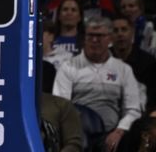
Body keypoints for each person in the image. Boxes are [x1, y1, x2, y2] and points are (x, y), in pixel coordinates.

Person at [53, 16, 141, 151]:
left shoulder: (123, 69)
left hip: (113, 133)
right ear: (84, 39)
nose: (94, 40)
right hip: (78, 131)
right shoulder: (68, 67)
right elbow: (61, 106)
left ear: (110, 39)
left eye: (99, 36)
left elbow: (133, 109)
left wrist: (119, 131)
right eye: (90, 36)